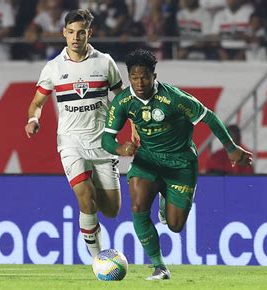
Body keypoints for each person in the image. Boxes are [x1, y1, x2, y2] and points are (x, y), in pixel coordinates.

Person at [101, 48, 253, 280]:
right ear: (129, 77)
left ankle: (166, 197)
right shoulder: (123, 102)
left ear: (154, 75)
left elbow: (209, 117)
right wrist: (120, 149)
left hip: (180, 164)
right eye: (134, 77)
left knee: (175, 225)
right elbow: (106, 138)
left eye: (144, 76)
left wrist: (231, 148)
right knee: (137, 207)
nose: (139, 82)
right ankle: (159, 266)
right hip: (148, 160)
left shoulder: (174, 98)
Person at [25, 9, 125, 258]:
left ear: (89, 33)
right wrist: (33, 119)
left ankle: (91, 225)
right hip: (71, 142)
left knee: (111, 210)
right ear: (64, 33)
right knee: (85, 194)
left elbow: (121, 98)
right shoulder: (54, 67)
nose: (75, 37)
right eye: (70, 32)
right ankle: (97, 259)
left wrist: (131, 126)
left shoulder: (105, 62)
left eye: (81, 32)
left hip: (103, 143)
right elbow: (37, 103)